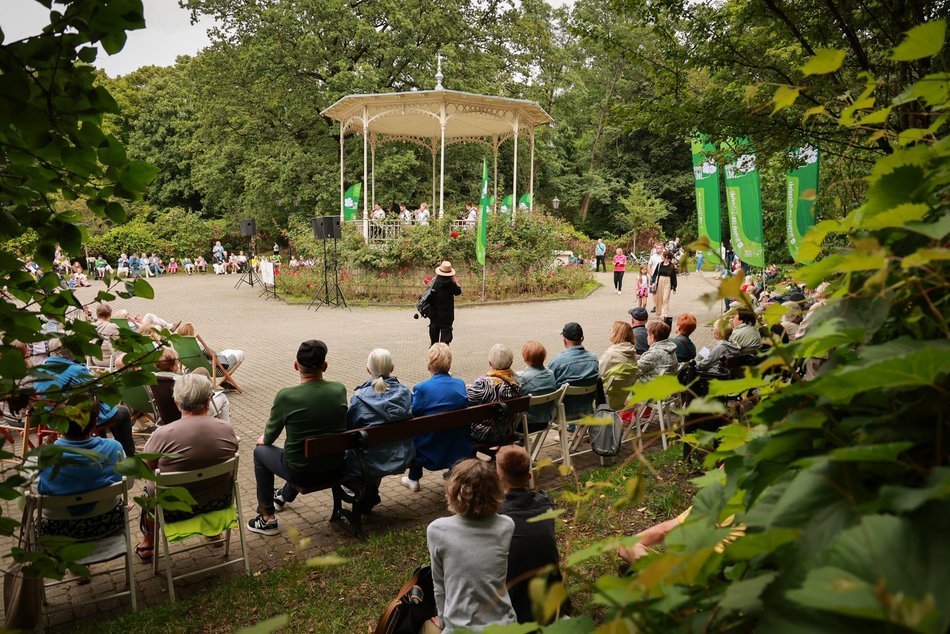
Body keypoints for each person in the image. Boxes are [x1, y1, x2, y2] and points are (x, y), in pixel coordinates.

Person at [248, 340, 347, 536]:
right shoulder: (339, 390)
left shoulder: (286, 396)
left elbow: (269, 437)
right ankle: (282, 497)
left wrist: (264, 440)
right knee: (302, 453)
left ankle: (267, 517)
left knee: (261, 452)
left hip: (302, 472)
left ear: (296, 365)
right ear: (325, 366)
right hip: (335, 467)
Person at [135, 373, 239, 561]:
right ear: (208, 401)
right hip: (217, 501)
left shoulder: (163, 435)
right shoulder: (226, 429)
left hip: (173, 509)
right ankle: (213, 531)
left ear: (176, 403)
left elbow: (145, 468)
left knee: (150, 490)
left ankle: (148, 544)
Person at [425, 458, 517, 633]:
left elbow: (439, 584)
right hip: (505, 625)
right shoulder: (506, 525)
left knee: (425, 627)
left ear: (453, 491)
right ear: (495, 491)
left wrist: (444, 621)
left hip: (459, 628)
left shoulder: (437, 530)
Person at [496, 446, 568, 624]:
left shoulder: (497, 516)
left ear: (498, 477)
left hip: (516, 603)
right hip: (553, 597)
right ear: (529, 476)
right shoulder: (545, 503)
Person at [37, 402, 126, 541]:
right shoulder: (115, 448)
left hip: (58, 533)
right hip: (108, 525)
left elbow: (34, 493)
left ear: (58, 424)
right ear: (95, 422)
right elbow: (125, 479)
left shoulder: (45, 455)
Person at [344, 349, 414, 513]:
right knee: (377, 447)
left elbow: (350, 429)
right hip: (401, 455)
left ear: (368, 370)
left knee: (363, 448)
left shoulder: (359, 398)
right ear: (392, 367)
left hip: (368, 461)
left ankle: (365, 492)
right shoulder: (405, 393)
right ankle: (369, 493)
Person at [33, 351, 136, 457]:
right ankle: (129, 455)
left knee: (107, 410)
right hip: (77, 421)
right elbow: (96, 392)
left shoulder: (39, 369)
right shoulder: (76, 370)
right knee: (122, 412)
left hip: (50, 419)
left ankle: (102, 446)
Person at [402, 343, 472, 492]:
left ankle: (413, 478)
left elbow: (414, 413)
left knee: (414, 431)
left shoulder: (422, 388)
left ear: (430, 365)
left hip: (430, 449)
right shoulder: (460, 384)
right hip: (458, 446)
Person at [468, 344, 522, 446]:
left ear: (490, 363)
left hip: (484, 433)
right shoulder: (517, 381)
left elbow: (466, 399)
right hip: (507, 430)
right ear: (511, 362)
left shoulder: (484, 384)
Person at [548, 322, 599, 419]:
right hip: (587, 410)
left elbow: (549, 382)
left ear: (564, 341)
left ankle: (569, 431)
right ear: (582, 338)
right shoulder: (594, 359)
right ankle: (575, 431)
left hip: (562, 412)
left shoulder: (558, 362)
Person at [598, 321, 640, 411]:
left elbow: (598, 373)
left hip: (606, 401)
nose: (610, 332)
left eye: (612, 330)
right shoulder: (632, 353)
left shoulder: (611, 354)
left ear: (617, 334)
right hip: (622, 398)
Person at [517, 340, 558, 428]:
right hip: (545, 421)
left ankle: (521, 439)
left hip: (525, 424)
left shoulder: (523, 378)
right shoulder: (551, 374)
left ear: (526, 359)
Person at [427, 261, 462, 345]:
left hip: (435, 316)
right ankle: (444, 357)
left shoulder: (434, 282)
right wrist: (457, 283)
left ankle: (434, 356)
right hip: (447, 317)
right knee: (445, 345)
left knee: (433, 343)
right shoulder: (451, 284)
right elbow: (458, 292)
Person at [650, 250, 678, 320]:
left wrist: (674, 286)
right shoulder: (660, 264)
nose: (661, 256)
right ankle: (659, 312)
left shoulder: (671, 266)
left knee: (665, 298)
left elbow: (674, 276)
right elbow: (655, 274)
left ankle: (664, 314)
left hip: (667, 281)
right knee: (659, 298)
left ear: (666, 257)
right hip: (660, 281)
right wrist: (653, 282)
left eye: (663, 255)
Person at [91, 302, 120, 367]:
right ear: (110, 315)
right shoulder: (112, 326)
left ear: (97, 314)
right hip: (110, 360)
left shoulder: (90, 327)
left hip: (96, 360)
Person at [647, 242, 664, 312]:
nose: (657, 249)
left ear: (662, 249)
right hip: (654, 276)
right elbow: (649, 265)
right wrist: (651, 274)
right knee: (653, 292)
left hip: (662, 276)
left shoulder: (663, 257)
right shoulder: (653, 257)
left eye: (658, 248)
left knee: (661, 292)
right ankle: (655, 306)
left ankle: (661, 305)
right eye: (656, 248)